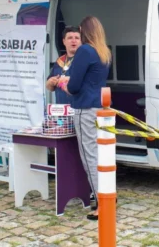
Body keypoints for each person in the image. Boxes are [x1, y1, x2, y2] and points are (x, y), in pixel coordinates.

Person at [59, 16, 111, 221]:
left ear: (85, 32)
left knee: (90, 156)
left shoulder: (85, 51)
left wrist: (64, 84)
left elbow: (74, 86)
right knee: (103, 156)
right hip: (101, 107)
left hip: (85, 108)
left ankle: (100, 202)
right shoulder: (104, 52)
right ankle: (108, 195)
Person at [45, 26, 81, 104]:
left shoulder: (86, 60)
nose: (73, 41)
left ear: (81, 41)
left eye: (77, 38)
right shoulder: (59, 61)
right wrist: (50, 82)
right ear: (64, 41)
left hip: (80, 111)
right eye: (70, 38)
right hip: (62, 111)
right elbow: (50, 87)